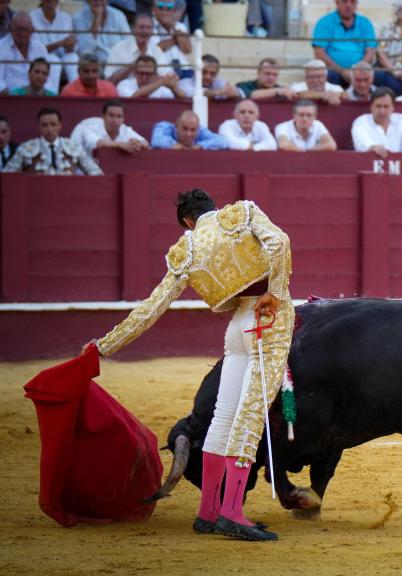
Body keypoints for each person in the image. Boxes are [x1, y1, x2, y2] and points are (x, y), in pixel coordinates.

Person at [84, 188, 292, 542]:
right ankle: (232, 513)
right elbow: (280, 241)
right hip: (267, 320)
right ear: (213, 207)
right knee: (249, 416)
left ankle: (208, 511)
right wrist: (275, 289)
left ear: (187, 221)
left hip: (236, 328)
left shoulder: (187, 249)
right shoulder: (240, 214)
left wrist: (104, 345)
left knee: (223, 417)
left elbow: (152, 307)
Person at [3, 107, 103, 175]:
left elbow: (96, 173)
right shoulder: (26, 148)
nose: (49, 129)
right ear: (38, 126)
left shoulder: (74, 147)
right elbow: (6, 175)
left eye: (53, 124)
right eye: (45, 125)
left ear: (60, 125)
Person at [312, 0, 377, 87]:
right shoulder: (324, 23)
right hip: (333, 70)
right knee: (329, 76)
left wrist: (357, 71)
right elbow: (319, 53)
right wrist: (341, 71)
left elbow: (370, 52)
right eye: (344, 1)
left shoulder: (365, 23)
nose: (348, 5)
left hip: (360, 71)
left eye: (352, 2)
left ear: (356, 3)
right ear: (337, 2)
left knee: (380, 76)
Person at [352, 88, 402, 158]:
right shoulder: (361, 122)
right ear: (371, 107)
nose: (382, 111)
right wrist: (372, 147)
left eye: (386, 106)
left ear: (392, 107)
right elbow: (361, 142)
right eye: (378, 106)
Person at [104, 13, 170, 85]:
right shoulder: (119, 48)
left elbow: (166, 77)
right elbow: (108, 82)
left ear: (152, 31)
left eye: (148, 28)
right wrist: (132, 66)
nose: (145, 31)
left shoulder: (156, 51)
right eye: (141, 27)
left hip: (151, 89)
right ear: (133, 29)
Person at [70, 99, 149, 156]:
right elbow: (99, 143)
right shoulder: (89, 126)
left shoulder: (125, 129)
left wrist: (137, 143)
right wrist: (121, 145)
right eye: (111, 115)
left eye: (119, 116)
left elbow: (145, 144)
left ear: (123, 119)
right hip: (83, 172)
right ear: (103, 116)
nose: (115, 120)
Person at [31, 0, 79, 90]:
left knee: (73, 57)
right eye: (49, 1)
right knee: (53, 60)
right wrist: (59, 44)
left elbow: (71, 47)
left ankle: (77, 93)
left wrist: (70, 46)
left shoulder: (66, 18)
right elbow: (37, 49)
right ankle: (51, 95)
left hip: (63, 57)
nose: (52, 3)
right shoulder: (32, 18)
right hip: (42, 59)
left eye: (55, 1)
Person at [0, 12, 49, 94]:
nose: (22, 33)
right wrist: (10, 96)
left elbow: (48, 76)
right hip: (11, 97)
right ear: (10, 28)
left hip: (37, 95)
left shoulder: (40, 47)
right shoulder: (1, 47)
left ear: (32, 30)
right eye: (19, 29)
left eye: (26, 30)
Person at [73, 0, 130, 65]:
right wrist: (97, 19)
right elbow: (85, 50)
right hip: (95, 65)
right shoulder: (79, 18)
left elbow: (129, 42)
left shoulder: (118, 15)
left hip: (118, 62)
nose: (98, 2)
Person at [152, 110, 229, 150]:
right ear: (176, 126)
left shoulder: (200, 131)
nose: (188, 134)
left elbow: (223, 142)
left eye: (193, 130)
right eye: (185, 129)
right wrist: (173, 144)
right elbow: (156, 140)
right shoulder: (164, 127)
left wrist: (200, 146)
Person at [117, 55, 184, 99]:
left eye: (148, 74)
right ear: (134, 73)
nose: (144, 77)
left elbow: (182, 98)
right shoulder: (124, 84)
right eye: (141, 73)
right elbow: (134, 98)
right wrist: (161, 82)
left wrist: (173, 88)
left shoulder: (161, 88)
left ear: (155, 74)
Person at [152, 0, 191, 75]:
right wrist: (177, 38)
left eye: (169, 8)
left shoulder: (180, 26)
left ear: (173, 11)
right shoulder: (149, 26)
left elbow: (187, 49)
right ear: (154, 10)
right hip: (163, 72)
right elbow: (157, 48)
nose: (164, 12)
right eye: (161, 8)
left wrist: (173, 27)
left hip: (184, 69)